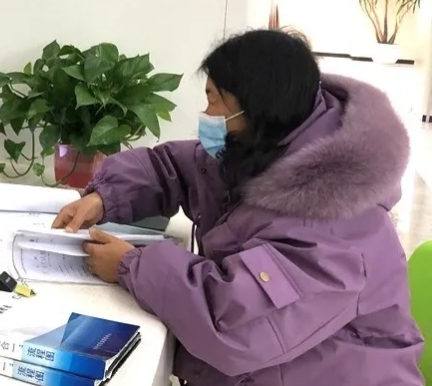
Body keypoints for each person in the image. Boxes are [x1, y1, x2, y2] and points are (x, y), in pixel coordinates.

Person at [52, 30, 422, 385]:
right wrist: (105, 196)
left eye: (214, 100)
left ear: (255, 106)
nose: (206, 113)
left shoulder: (336, 225)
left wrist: (131, 265)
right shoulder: (269, 144)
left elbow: (233, 326)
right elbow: (176, 167)